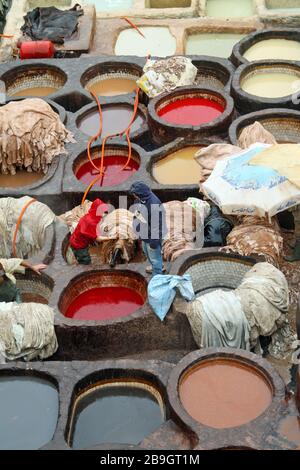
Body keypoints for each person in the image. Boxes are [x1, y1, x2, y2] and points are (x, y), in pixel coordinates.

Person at [129, 182, 166, 276]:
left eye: (134, 194)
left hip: (152, 237)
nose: (133, 195)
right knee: (146, 252)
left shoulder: (154, 205)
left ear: (139, 194)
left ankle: (157, 276)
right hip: (145, 233)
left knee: (155, 257)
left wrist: (153, 242)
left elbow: (157, 227)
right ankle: (158, 266)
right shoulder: (140, 199)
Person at [69, 198, 109, 265]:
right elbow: (98, 239)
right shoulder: (91, 222)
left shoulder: (90, 216)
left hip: (74, 241)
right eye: (102, 211)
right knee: (86, 263)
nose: (103, 213)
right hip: (79, 246)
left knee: (81, 259)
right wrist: (111, 237)